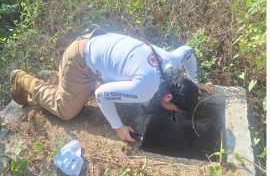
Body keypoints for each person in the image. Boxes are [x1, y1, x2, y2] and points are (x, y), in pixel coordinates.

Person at [10, 28, 214, 142]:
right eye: (174, 111)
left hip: (100, 42)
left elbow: (188, 51)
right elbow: (101, 95)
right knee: (65, 110)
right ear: (168, 97)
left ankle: (83, 83)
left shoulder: (171, 62)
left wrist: (194, 83)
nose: (173, 113)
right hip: (81, 61)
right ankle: (23, 80)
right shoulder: (145, 87)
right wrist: (118, 128)